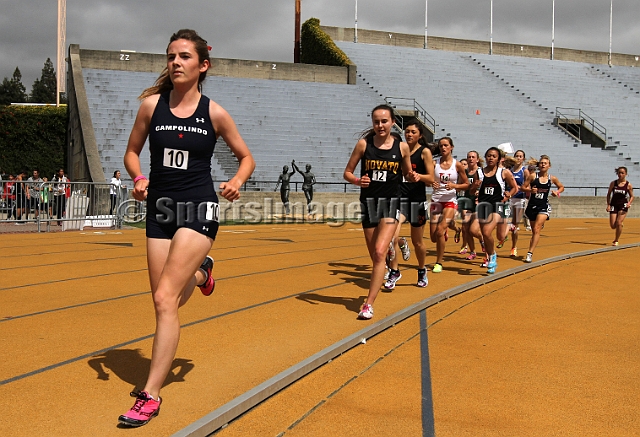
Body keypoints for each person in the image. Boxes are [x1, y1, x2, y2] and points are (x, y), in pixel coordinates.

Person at [118, 29, 255, 427]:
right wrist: (139, 177)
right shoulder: (150, 107)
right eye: (171, 56)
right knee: (167, 300)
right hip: (159, 208)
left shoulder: (214, 113)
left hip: (198, 208)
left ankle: (151, 394)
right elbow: (131, 151)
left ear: (202, 65)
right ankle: (200, 273)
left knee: (164, 299)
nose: (175, 62)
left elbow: (246, 157)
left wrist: (237, 182)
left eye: (184, 57)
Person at [343, 104, 417, 320]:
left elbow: (406, 172)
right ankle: (390, 259)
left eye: (384, 121)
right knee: (375, 256)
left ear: (393, 122)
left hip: (390, 203)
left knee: (378, 253)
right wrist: (358, 180)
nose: (380, 125)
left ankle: (368, 304)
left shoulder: (402, 148)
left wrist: (412, 176)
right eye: (376, 121)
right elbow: (347, 172)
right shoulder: (363, 145)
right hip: (369, 204)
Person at [385, 118, 435, 289]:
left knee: (418, 242)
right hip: (400, 199)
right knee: (391, 237)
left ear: (420, 134)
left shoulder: (424, 152)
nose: (409, 134)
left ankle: (422, 269)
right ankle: (394, 271)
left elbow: (431, 179)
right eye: (407, 131)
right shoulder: (399, 149)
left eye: (413, 132)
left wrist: (418, 176)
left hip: (417, 200)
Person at [474, 147, 518, 274]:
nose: (490, 158)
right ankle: (490, 256)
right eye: (488, 156)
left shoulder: (503, 172)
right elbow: (472, 191)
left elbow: (515, 188)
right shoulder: (480, 172)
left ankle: (492, 256)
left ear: (498, 159)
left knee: (487, 232)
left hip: (497, 205)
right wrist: (475, 187)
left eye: (493, 156)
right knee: (485, 234)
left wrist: (508, 195)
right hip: (483, 205)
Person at [429, 137, 469, 273]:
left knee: (439, 231)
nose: (443, 148)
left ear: (451, 147)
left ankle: (439, 263)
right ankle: (454, 227)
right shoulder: (434, 164)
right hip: (436, 201)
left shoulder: (457, 165)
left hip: (450, 201)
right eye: (441, 146)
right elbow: (426, 179)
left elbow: (466, 184)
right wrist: (430, 183)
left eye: (446, 145)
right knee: (433, 237)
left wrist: (454, 185)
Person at [521, 155, 564, 263]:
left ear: (549, 166)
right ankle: (539, 224)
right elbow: (523, 187)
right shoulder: (533, 176)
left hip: (543, 206)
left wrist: (557, 192)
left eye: (545, 163)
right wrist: (530, 191)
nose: (543, 164)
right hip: (532, 206)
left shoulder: (552, 178)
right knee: (534, 230)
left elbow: (561, 187)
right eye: (541, 163)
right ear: (538, 165)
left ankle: (529, 253)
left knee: (536, 229)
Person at [458, 150, 485, 261]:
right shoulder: (464, 172)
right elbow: (460, 185)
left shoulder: (482, 172)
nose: (471, 159)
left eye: (473, 157)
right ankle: (473, 251)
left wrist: (480, 192)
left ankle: (482, 239)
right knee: (466, 228)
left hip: (478, 202)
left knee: (473, 230)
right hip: (467, 201)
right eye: (469, 157)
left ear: (477, 159)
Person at [503, 150, 529, 257]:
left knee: (515, 224)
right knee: (502, 220)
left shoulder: (525, 171)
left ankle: (514, 247)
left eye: (520, 156)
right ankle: (504, 234)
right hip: (509, 198)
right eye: (516, 156)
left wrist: (521, 188)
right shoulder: (509, 171)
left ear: (523, 159)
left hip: (519, 199)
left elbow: (528, 187)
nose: (518, 158)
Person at [606, 166, 634, 246]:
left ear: (626, 174)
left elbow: (632, 196)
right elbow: (608, 194)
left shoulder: (628, 185)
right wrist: (608, 204)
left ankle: (616, 240)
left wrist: (629, 203)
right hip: (614, 204)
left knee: (619, 222)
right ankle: (619, 226)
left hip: (623, 205)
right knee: (613, 225)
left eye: (622, 173)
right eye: (619, 173)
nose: (620, 174)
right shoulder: (613, 183)